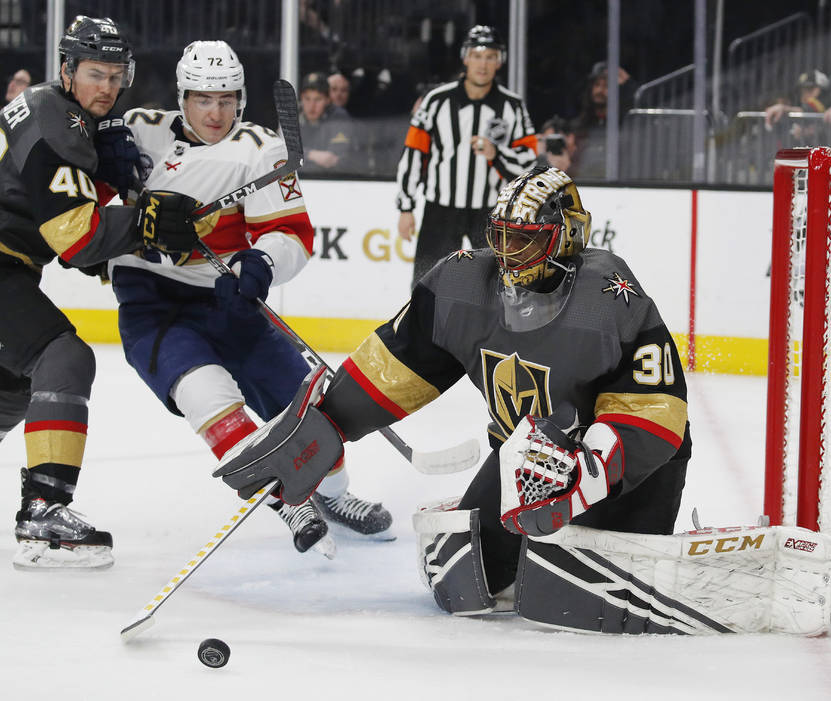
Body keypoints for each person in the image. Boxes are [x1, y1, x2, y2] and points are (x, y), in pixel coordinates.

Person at [214, 165, 693, 628]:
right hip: (523, 461)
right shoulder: (461, 287)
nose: (507, 253)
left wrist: (590, 471)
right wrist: (327, 424)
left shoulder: (609, 297)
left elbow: (655, 411)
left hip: (627, 469)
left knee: (594, 597)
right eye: (500, 236)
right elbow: (397, 366)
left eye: (523, 239)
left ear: (565, 236)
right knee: (465, 582)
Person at [0, 16, 207, 569]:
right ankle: (44, 511)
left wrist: (109, 198)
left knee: (3, 395)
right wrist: (142, 221)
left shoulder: (57, 110)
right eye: (96, 73)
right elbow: (75, 238)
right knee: (64, 357)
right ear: (67, 69)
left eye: (118, 75)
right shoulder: (61, 119)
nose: (109, 87)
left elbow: (67, 228)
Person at [105, 40, 392, 556]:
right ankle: (287, 498)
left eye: (228, 99)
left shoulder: (261, 149)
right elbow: (92, 194)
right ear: (181, 96)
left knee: (309, 411)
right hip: (154, 305)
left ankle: (331, 496)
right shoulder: (138, 128)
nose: (217, 113)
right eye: (202, 100)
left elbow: (291, 234)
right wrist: (110, 177)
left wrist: (259, 263)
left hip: (229, 300)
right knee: (207, 395)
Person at [396, 25, 537, 289]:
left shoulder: (512, 106)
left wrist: (497, 154)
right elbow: (415, 153)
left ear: (500, 61)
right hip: (441, 207)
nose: (482, 64)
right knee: (426, 284)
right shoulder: (436, 101)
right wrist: (406, 207)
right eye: (477, 55)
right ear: (465, 58)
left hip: (491, 211)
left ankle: (494, 331)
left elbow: (528, 160)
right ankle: (423, 330)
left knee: (499, 285)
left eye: (490, 56)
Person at [571, 60, 636, 179]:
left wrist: (628, 84)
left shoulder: (623, 123)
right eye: (597, 85)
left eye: (606, 86)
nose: (600, 91)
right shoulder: (579, 124)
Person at [299, 74, 355, 174]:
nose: (312, 106)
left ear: (328, 101)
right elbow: (281, 153)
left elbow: (331, 160)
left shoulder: (339, 117)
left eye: (318, 99)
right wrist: (312, 154)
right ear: (301, 98)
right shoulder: (291, 115)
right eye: (307, 99)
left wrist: (300, 155)